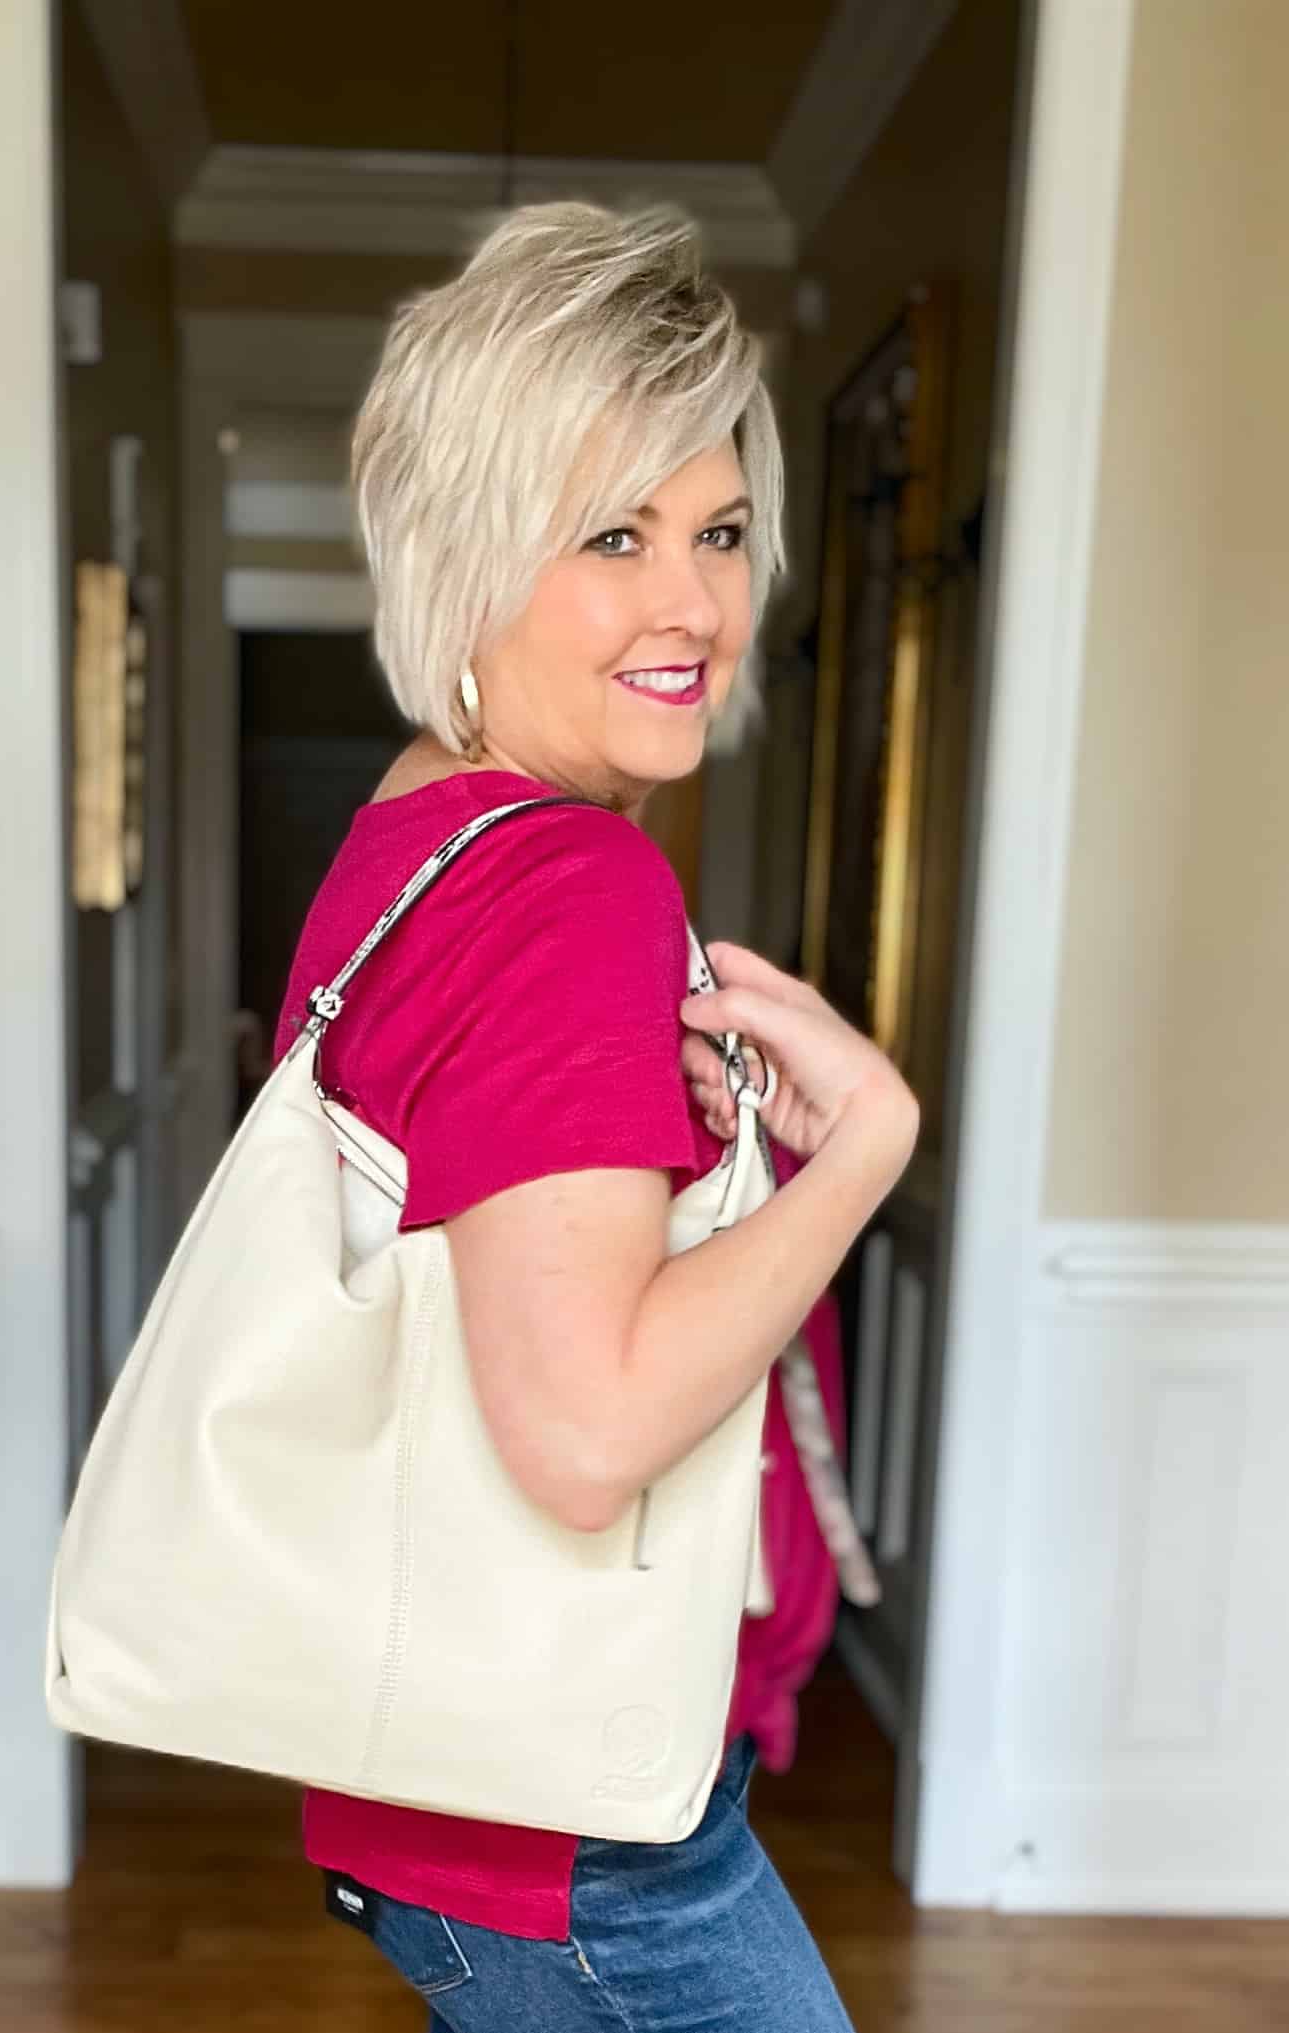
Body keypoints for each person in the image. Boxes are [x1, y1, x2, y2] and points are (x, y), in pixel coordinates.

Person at [272, 203, 917, 2032]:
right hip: (571, 1830)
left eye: (719, 530)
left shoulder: (417, 833)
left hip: (438, 1779)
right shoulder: (570, 882)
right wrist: (865, 1149)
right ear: (469, 557)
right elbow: (582, 1431)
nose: (693, 605)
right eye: (613, 535)